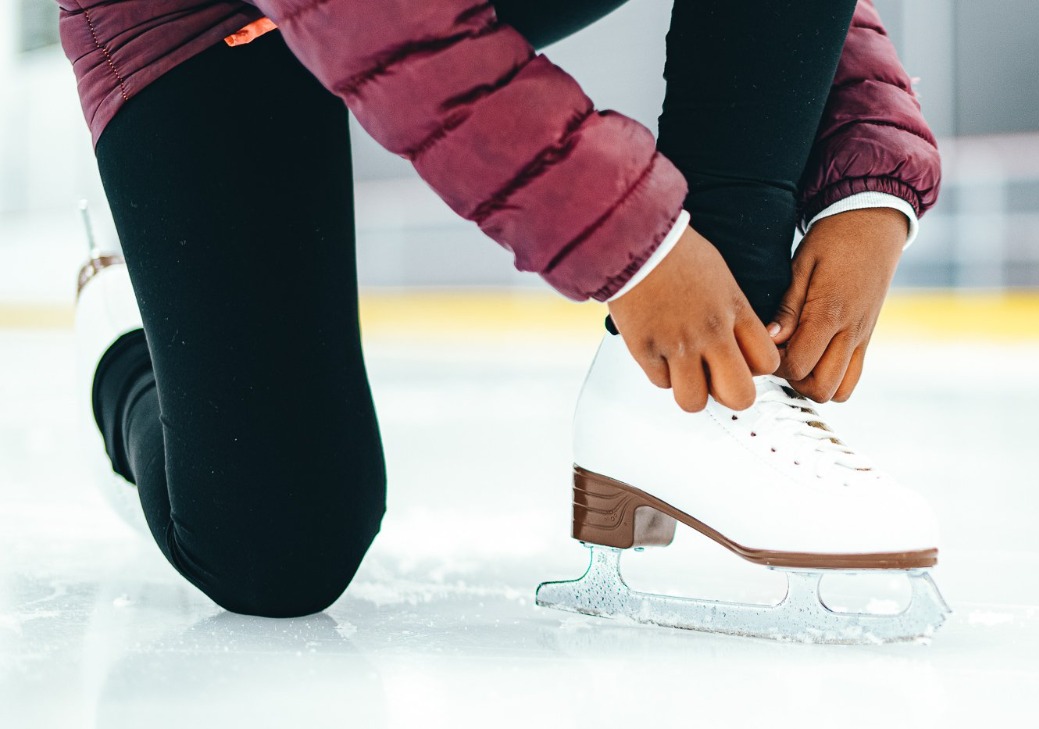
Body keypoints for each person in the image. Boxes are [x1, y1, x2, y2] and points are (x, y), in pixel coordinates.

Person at [64, 0, 945, 632]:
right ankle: (126, 343)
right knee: (277, 550)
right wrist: (637, 246)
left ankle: (688, 397)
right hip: (197, 26)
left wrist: (866, 180)